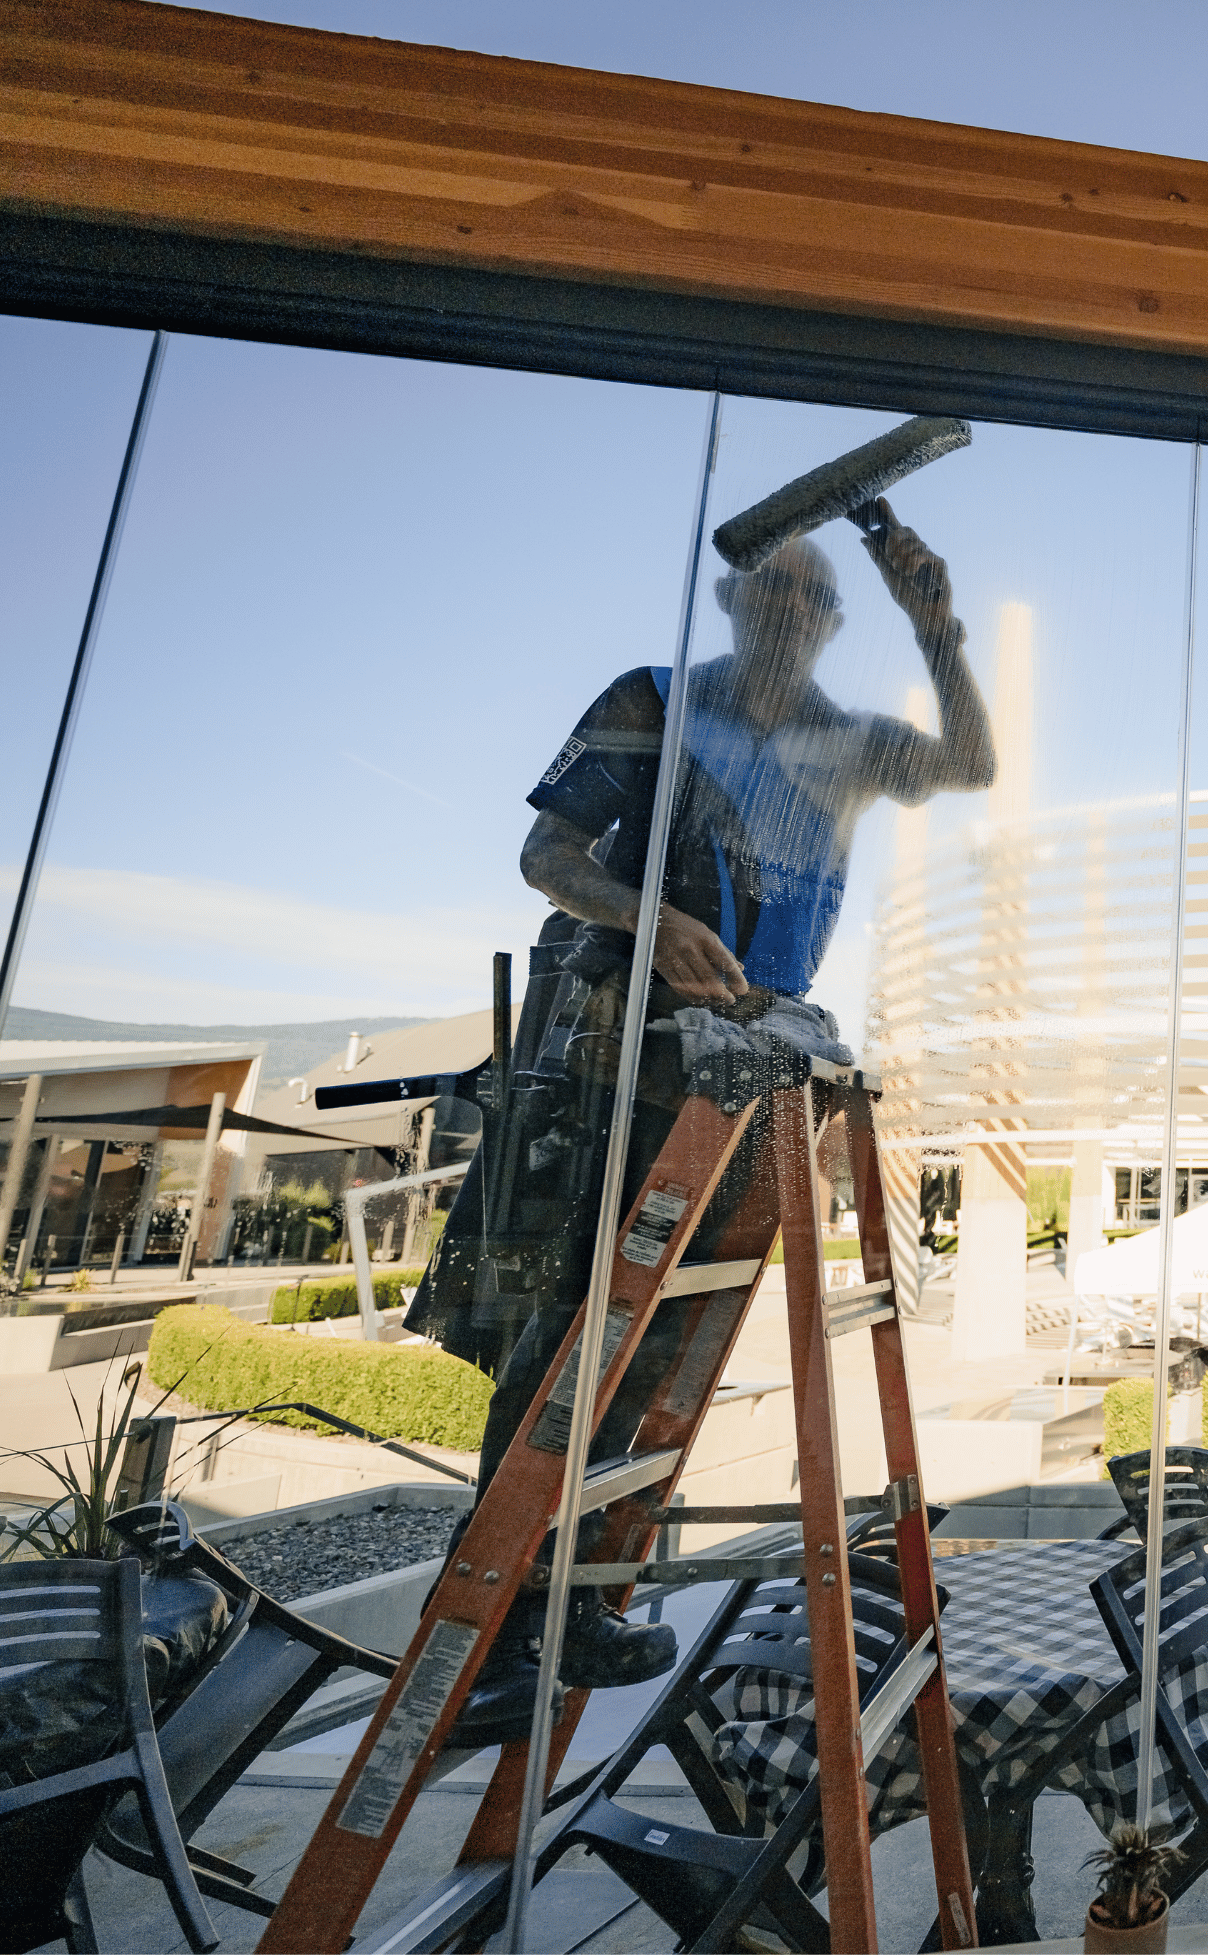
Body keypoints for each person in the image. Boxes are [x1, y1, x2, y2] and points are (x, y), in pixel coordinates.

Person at [417, 502, 994, 1693]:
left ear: (833, 622)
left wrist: (935, 626)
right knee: (578, 1328)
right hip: (617, 1053)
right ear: (732, 604)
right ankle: (489, 1636)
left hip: (748, 1060)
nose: (785, 607)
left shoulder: (843, 740)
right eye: (766, 589)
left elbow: (970, 765)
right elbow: (546, 856)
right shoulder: (656, 699)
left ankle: (563, 1605)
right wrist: (651, 920)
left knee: (660, 1337)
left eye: (808, 595)